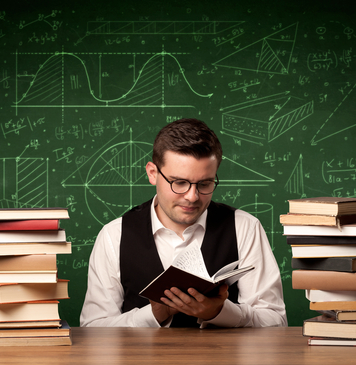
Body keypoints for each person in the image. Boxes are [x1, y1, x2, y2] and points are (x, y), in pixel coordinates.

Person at [80, 118, 287, 328]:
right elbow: (93, 329)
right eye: (179, 182)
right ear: (152, 173)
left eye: (205, 184)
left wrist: (220, 312)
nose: (192, 196)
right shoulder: (114, 235)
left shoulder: (244, 227)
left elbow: (276, 322)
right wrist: (153, 316)